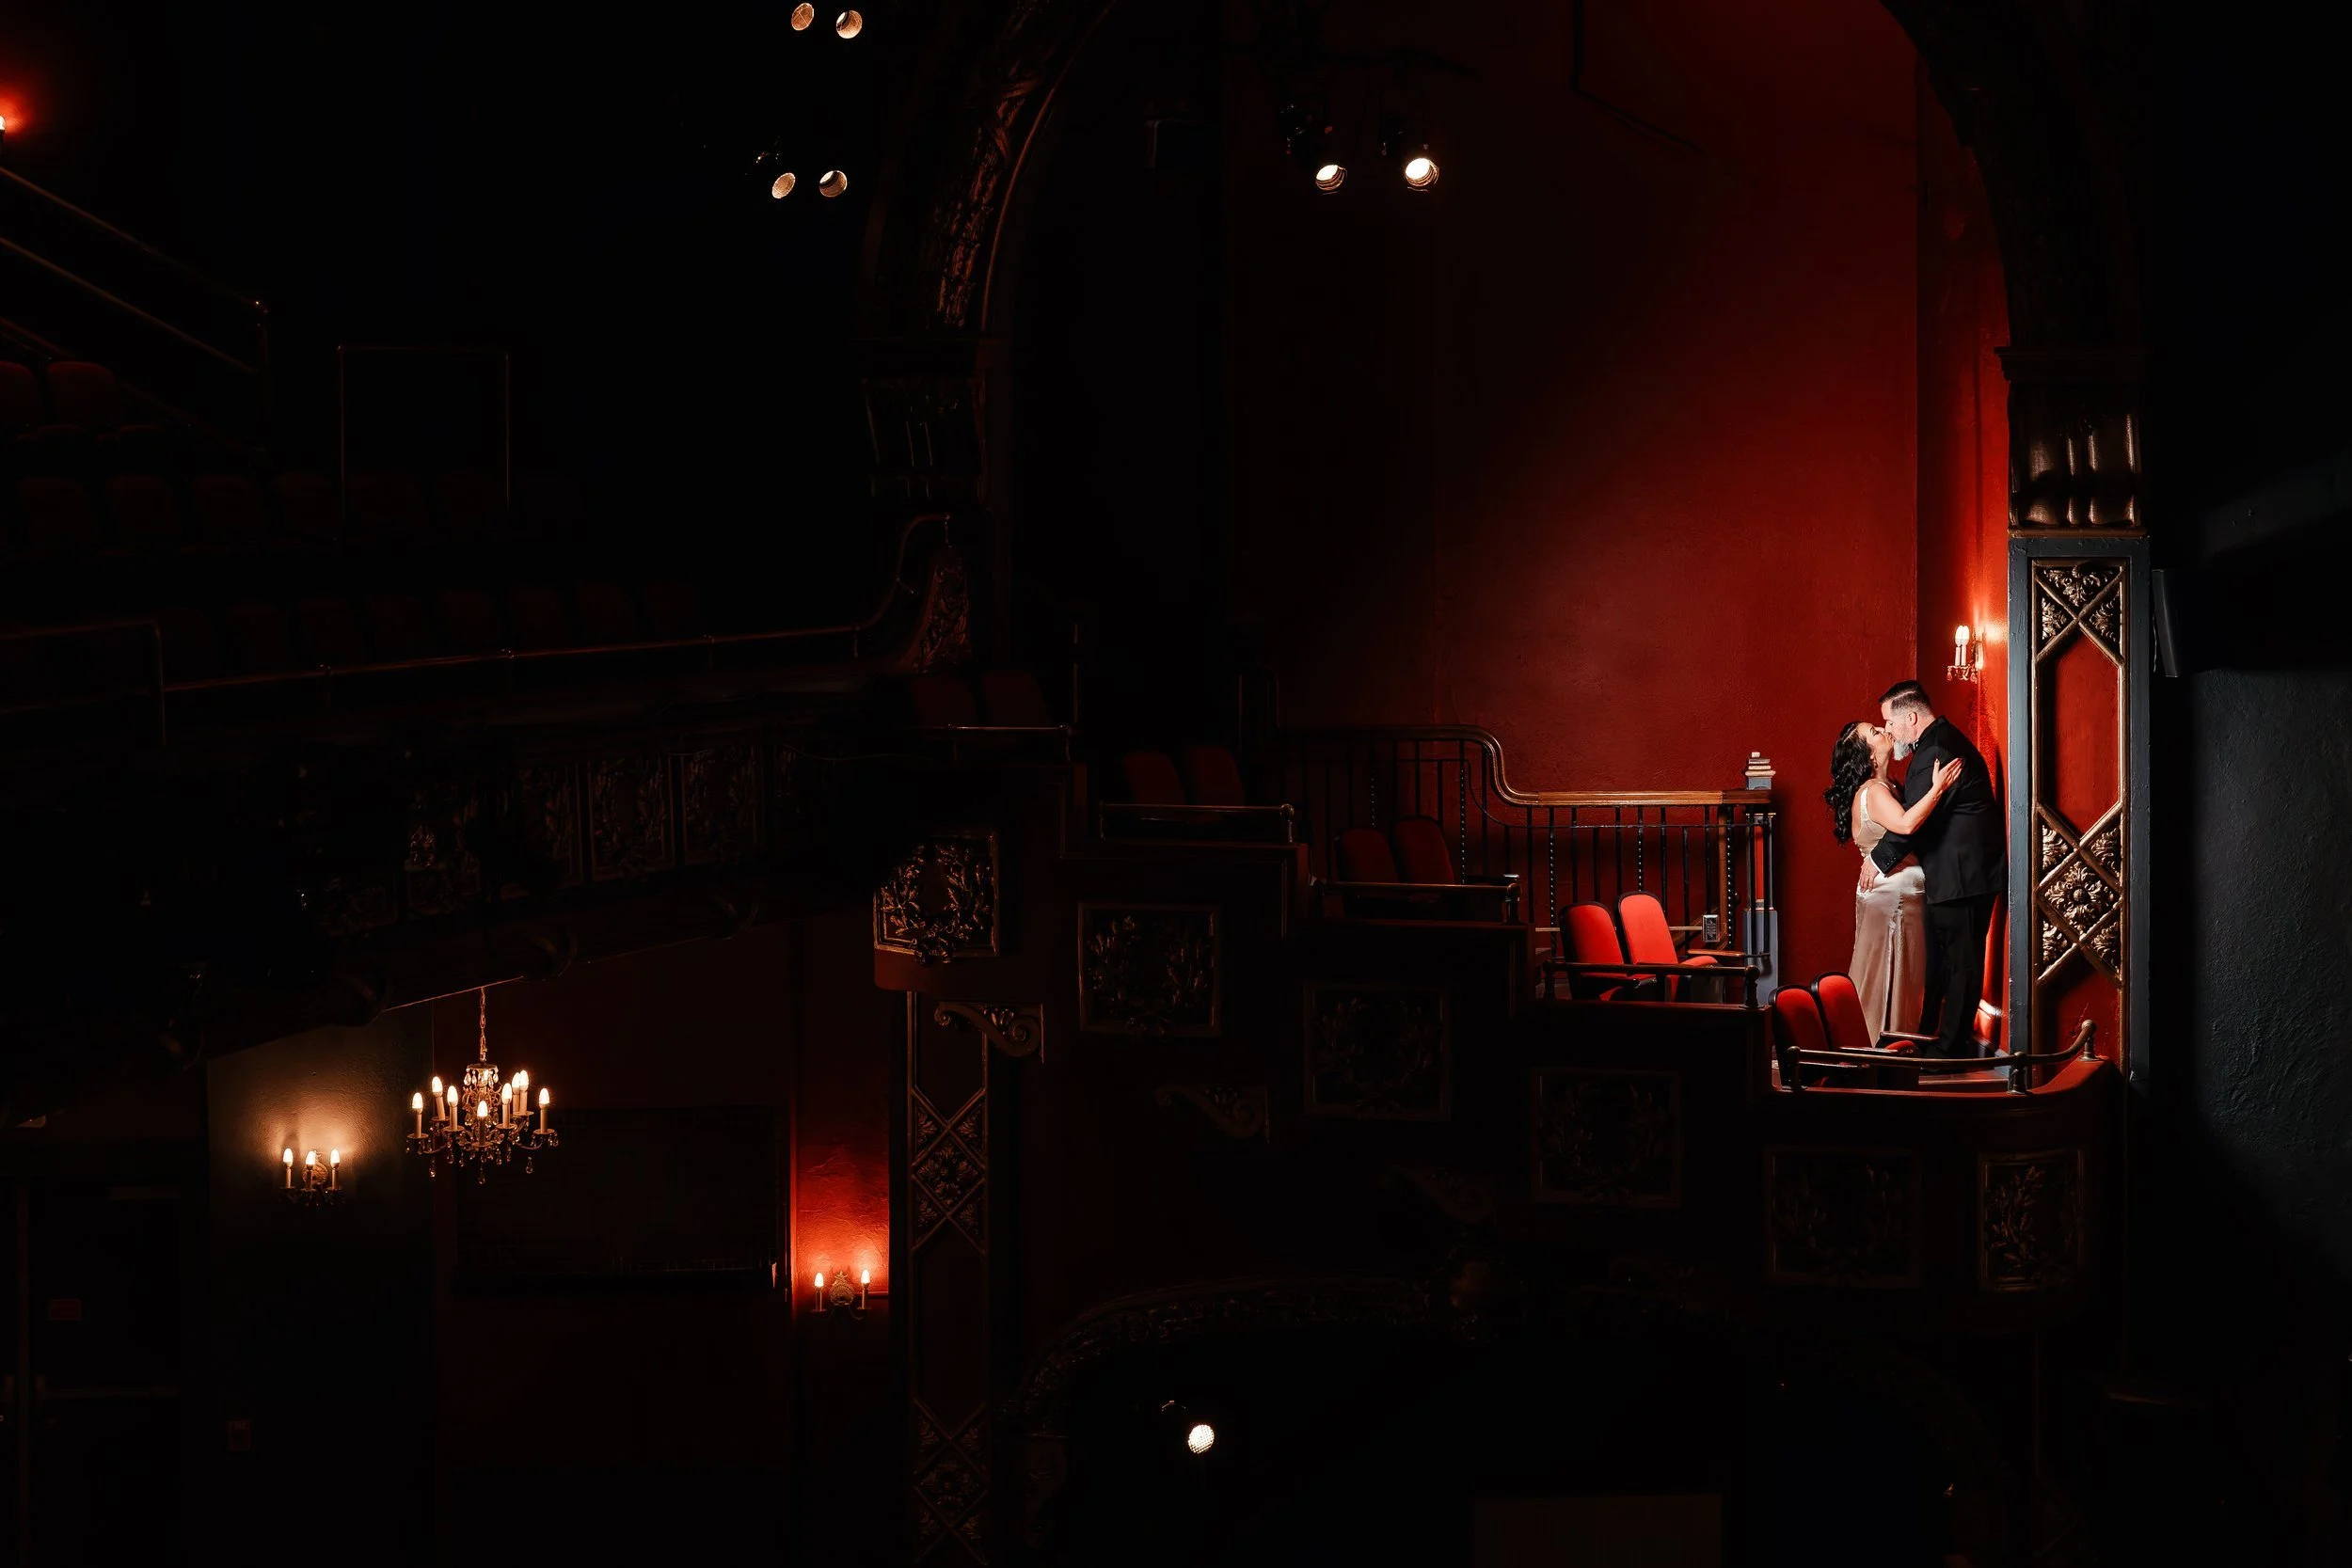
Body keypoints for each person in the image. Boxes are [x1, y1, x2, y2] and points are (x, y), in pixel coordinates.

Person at [1865, 680, 2006, 1057]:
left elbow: (1915, 822)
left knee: (1961, 963)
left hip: (1964, 875)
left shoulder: (1936, 750)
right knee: (1946, 963)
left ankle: (1949, 1053)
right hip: (1958, 873)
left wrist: (1877, 860)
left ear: (1910, 717)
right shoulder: (1934, 744)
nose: (1888, 730)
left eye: (1889, 722)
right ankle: (1932, 1040)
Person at [1825, 721, 1961, 1041]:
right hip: (1891, 903)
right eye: (1875, 732)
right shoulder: (1873, 791)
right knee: (1885, 977)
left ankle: (1892, 1049)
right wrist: (1938, 788)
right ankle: (1876, 1049)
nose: (1885, 731)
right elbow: (1907, 823)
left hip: (1896, 900)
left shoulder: (1891, 787)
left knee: (1902, 978)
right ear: (1870, 756)